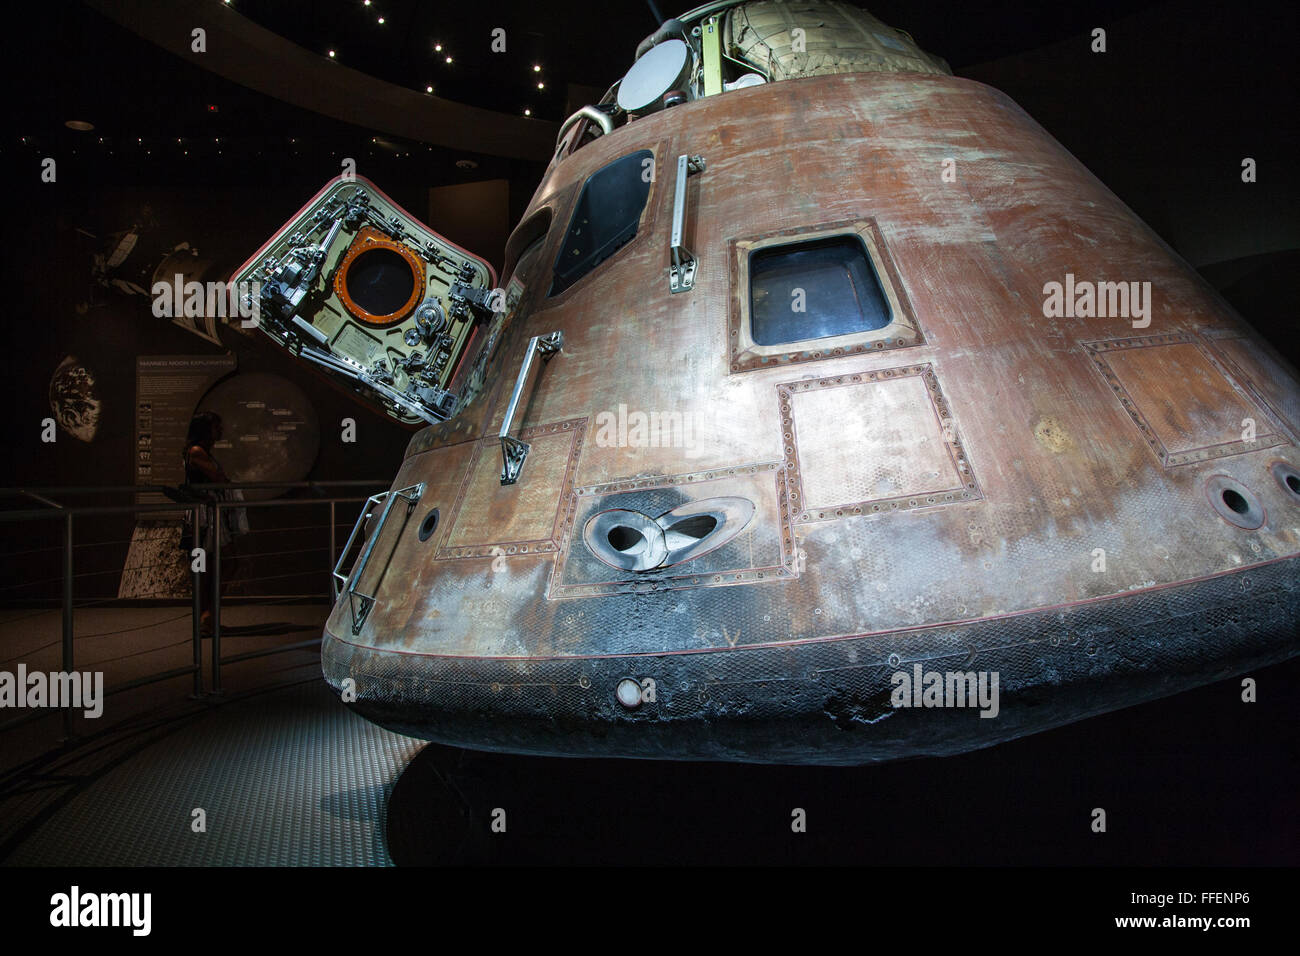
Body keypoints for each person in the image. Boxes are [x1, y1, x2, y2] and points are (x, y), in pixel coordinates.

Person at [181, 412, 246, 634]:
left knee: (216, 565)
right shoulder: (197, 452)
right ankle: (206, 616)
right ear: (205, 429)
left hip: (209, 515)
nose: (220, 431)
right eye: (216, 427)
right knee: (217, 564)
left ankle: (207, 616)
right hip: (204, 518)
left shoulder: (201, 452)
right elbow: (219, 478)